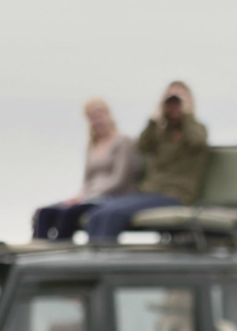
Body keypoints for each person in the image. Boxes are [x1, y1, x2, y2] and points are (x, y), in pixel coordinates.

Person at [83, 82, 210, 243]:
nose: (173, 104)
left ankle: (103, 264)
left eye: (178, 99)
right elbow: (141, 146)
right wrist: (155, 117)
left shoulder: (198, 129)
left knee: (113, 214)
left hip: (176, 195)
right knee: (98, 213)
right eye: (169, 100)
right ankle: (90, 262)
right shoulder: (160, 132)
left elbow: (196, 142)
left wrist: (187, 113)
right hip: (148, 193)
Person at [31, 99, 139, 240]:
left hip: (112, 198)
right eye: (91, 117)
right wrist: (79, 196)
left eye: (99, 115)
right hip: (88, 196)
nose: (96, 120)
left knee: (69, 213)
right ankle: (39, 250)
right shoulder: (92, 145)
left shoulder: (123, 141)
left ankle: (62, 250)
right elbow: (87, 179)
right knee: (44, 213)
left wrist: (89, 196)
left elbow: (120, 179)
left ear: (108, 114)